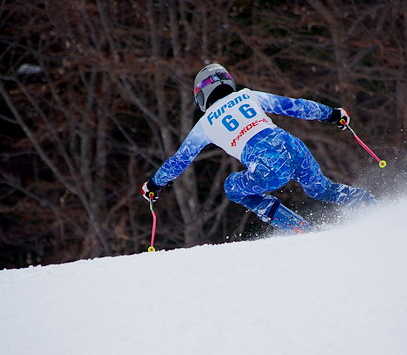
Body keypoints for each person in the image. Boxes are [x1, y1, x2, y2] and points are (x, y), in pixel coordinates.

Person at [141, 63, 376, 232]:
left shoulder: (205, 124)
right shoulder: (247, 96)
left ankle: (297, 227)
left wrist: (154, 184)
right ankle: (371, 204)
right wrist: (332, 115)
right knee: (320, 189)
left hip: (267, 163)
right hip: (293, 147)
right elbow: (294, 106)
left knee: (232, 187)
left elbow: (179, 161)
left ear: (201, 95)